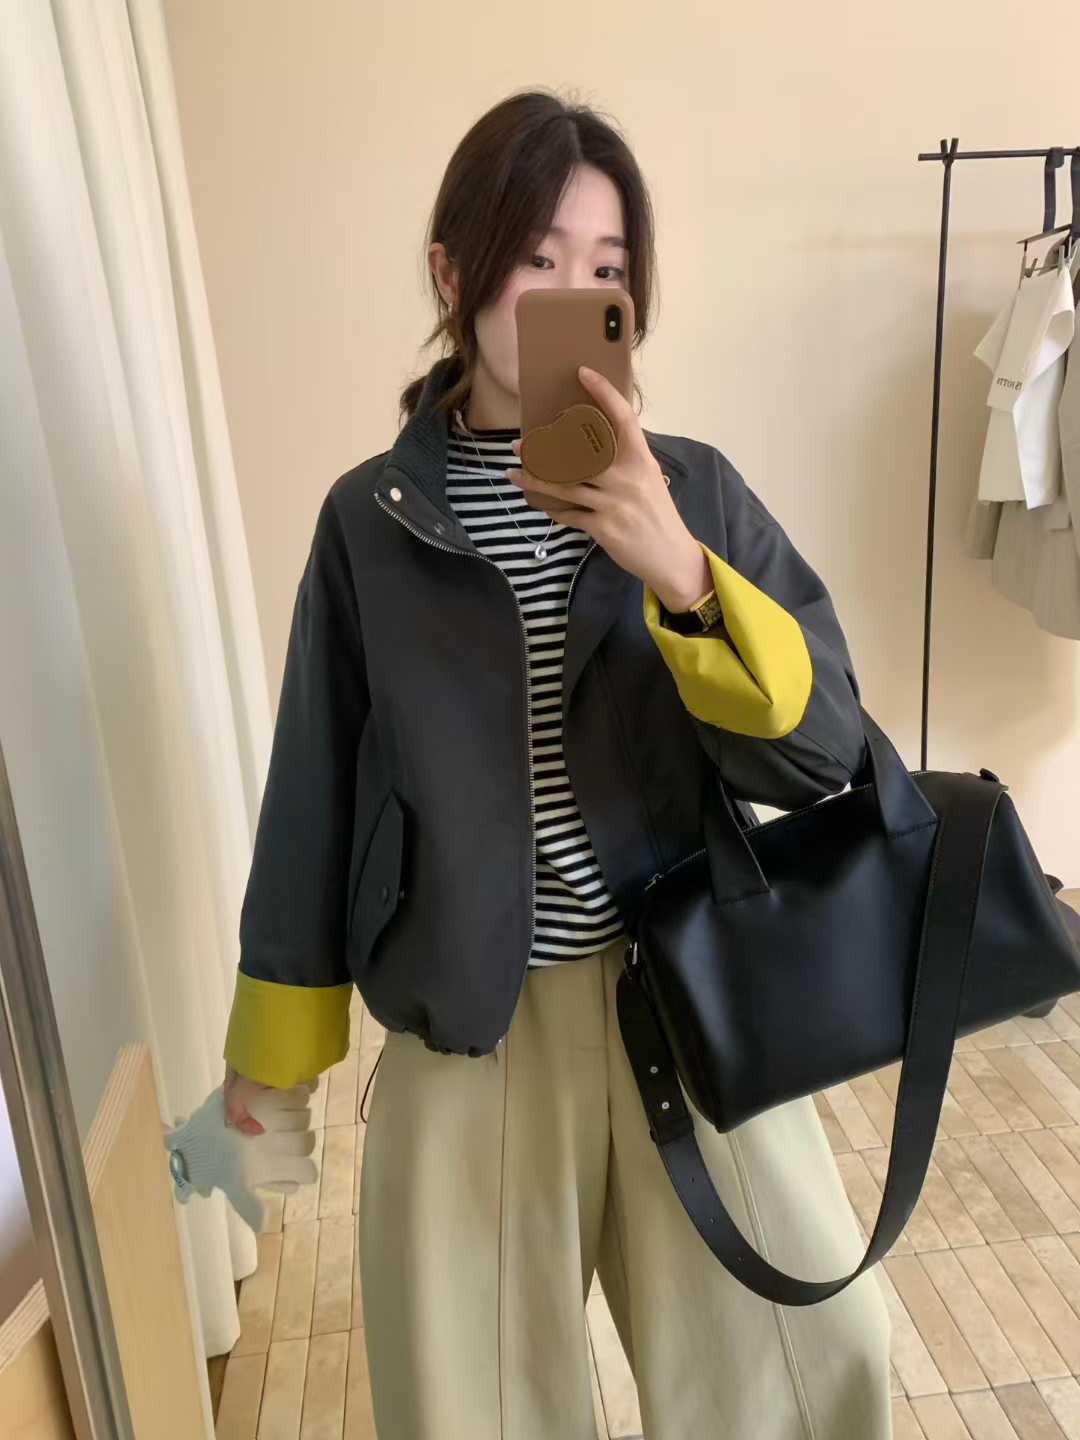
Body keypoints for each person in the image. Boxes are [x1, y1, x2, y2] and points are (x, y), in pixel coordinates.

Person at [222, 87, 893, 1440]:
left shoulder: (692, 490)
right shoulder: (371, 522)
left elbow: (827, 748)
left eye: (606, 268)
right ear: (452, 272)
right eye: (538, 257)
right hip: (471, 1023)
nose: (574, 294)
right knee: (470, 1406)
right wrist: (274, 1052)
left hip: (688, 1002)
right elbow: (314, 788)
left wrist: (682, 574)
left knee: (813, 1366)